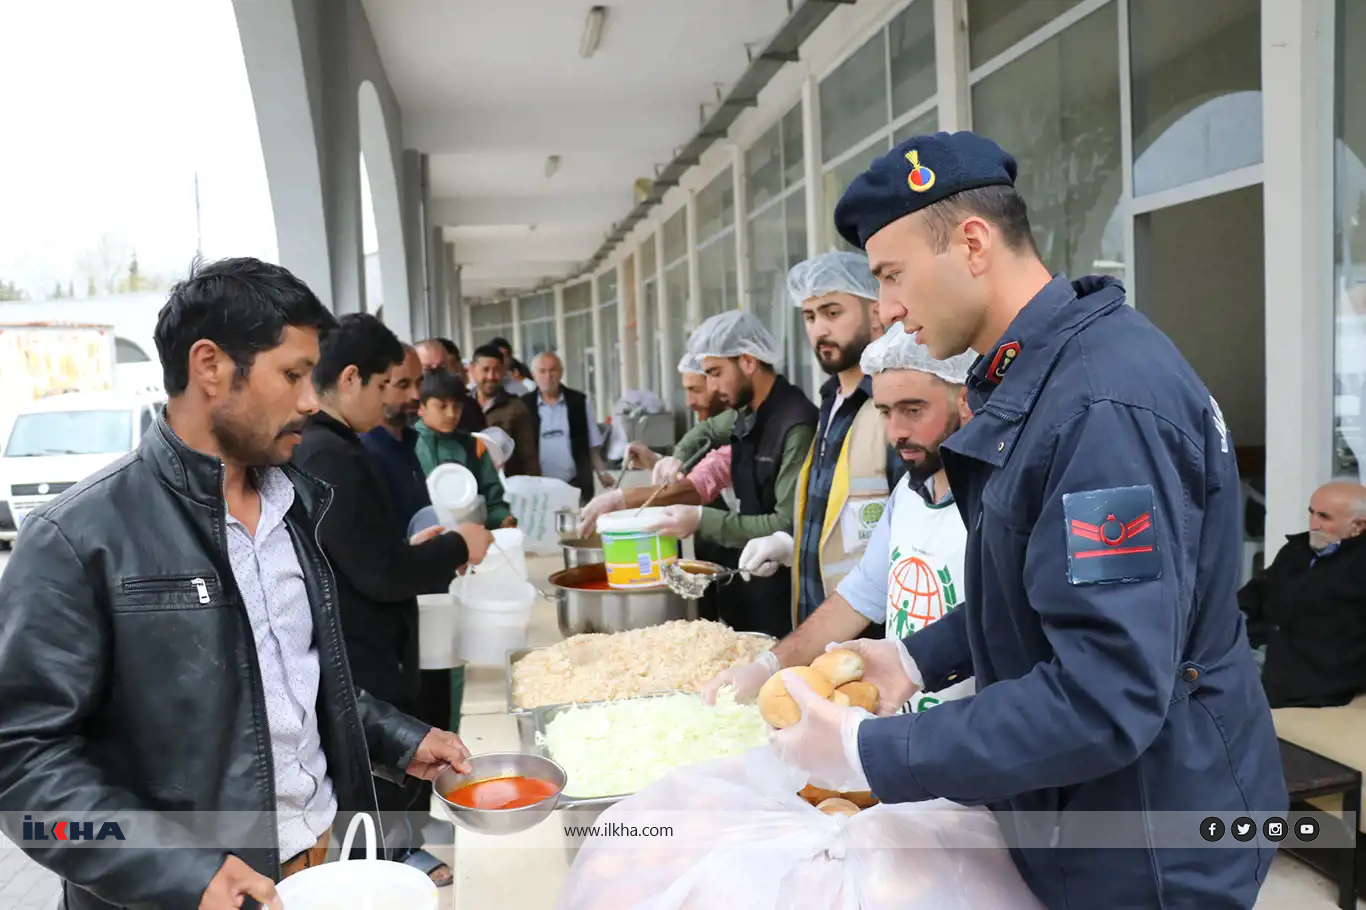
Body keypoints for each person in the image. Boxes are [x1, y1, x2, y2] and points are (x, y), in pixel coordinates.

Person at [766, 131, 1285, 908]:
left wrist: (871, 751)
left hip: (1151, 837)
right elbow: (1050, 595)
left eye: (892, 276)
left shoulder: (1100, 406)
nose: (891, 312)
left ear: (972, 242)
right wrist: (913, 661)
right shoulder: (1042, 376)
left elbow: (1105, 694)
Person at [0, 258, 472, 910]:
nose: (312, 399)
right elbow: (22, 768)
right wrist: (176, 870)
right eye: (293, 374)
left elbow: (286, 683)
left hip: (324, 862)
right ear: (210, 367)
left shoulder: (299, 507)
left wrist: (398, 736)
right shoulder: (77, 538)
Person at [291, 313, 493, 888]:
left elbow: (366, 551)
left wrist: (412, 547)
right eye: (390, 386)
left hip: (377, 643)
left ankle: (396, 851)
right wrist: (457, 544)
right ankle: (389, 865)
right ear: (351, 378)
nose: (397, 401)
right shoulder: (327, 454)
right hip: (363, 651)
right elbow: (379, 573)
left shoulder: (341, 446)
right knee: (380, 765)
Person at [705, 322, 977, 711]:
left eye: (914, 410)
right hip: (904, 734)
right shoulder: (908, 495)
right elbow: (859, 596)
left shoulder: (995, 503)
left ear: (965, 400)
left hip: (971, 741)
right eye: (884, 412)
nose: (895, 432)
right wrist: (770, 665)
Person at [731, 252, 890, 634]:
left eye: (833, 313)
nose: (819, 330)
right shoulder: (831, 400)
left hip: (873, 639)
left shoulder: (893, 405)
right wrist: (794, 544)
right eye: (810, 316)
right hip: (820, 630)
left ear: (876, 312)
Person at [646, 311, 818, 638]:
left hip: (783, 593)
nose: (710, 387)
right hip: (746, 578)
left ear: (749, 362)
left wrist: (700, 519)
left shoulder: (795, 425)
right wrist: (677, 458)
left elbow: (784, 523)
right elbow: (708, 432)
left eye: (715, 373)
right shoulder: (747, 411)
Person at [1239, 479, 1366, 708]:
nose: (1314, 524)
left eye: (1325, 517)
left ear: (1358, 526)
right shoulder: (1298, 549)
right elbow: (1259, 589)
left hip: (1311, 677)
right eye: (1312, 513)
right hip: (1258, 651)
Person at [415, 368, 518, 529]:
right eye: (441, 406)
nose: (451, 414)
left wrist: (502, 518)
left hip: (468, 538)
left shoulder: (474, 445)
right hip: (420, 536)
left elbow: (492, 500)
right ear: (421, 408)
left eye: (456, 407)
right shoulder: (408, 443)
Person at [523, 351, 613, 502]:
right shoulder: (524, 405)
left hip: (575, 486)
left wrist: (602, 474)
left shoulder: (578, 402)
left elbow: (592, 444)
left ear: (561, 373)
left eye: (553, 370)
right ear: (534, 375)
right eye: (542, 371)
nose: (548, 376)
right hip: (538, 489)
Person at [361, 343, 432, 535]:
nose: (416, 395)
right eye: (403, 385)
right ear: (377, 386)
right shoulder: (364, 453)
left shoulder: (407, 441)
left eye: (419, 383)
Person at [470, 343, 540, 477]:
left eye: (496, 370)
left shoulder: (516, 407)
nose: (491, 376)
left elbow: (529, 457)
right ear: (472, 370)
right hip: (470, 487)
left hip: (507, 487)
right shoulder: (461, 405)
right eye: (485, 370)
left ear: (503, 371)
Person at [415, 337, 485, 432]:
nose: (436, 374)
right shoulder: (404, 409)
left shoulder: (468, 407)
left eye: (441, 367)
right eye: (428, 370)